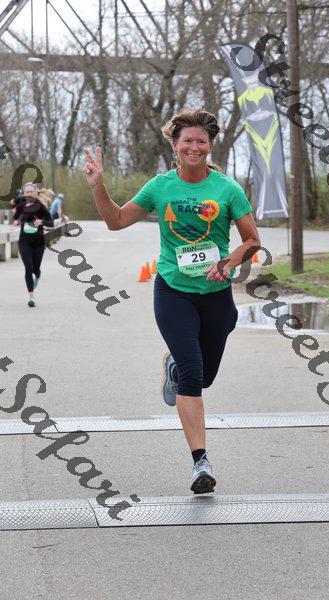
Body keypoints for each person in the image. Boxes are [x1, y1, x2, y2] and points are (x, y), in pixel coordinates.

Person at [83, 107, 260, 494]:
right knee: (194, 377)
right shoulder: (160, 186)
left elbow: (252, 240)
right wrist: (98, 186)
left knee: (203, 377)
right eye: (187, 141)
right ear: (175, 145)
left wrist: (228, 262)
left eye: (201, 141)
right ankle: (201, 463)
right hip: (173, 292)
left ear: (210, 146)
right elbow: (115, 221)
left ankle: (173, 367)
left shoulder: (227, 189)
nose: (194, 147)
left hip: (216, 296)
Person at [12, 182, 54, 307]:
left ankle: (38, 274)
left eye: (31, 191)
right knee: (28, 267)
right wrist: (16, 220)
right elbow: (15, 217)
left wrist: (41, 222)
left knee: (35, 269)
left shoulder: (40, 206)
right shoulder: (21, 205)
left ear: (35, 193)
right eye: (27, 192)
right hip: (24, 242)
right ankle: (31, 297)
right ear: (24, 194)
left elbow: (51, 222)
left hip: (38, 242)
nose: (29, 193)